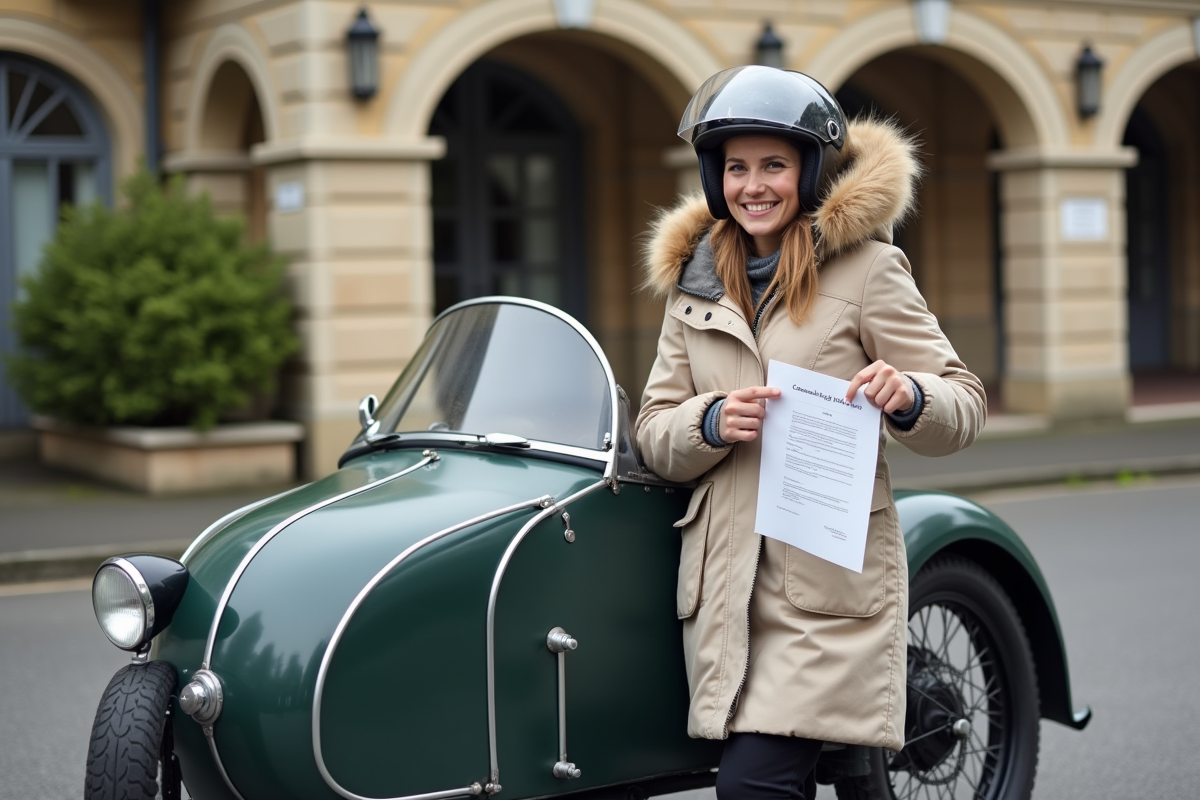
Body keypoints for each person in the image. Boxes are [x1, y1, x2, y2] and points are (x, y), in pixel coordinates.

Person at [634, 66, 987, 799]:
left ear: (811, 170)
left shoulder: (868, 270)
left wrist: (909, 395)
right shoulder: (693, 285)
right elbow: (653, 433)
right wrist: (709, 420)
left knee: (754, 786)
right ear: (713, 176)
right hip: (724, 591)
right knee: (838, 779)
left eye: (773, 165)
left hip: (821, 589)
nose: (752, 185)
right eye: (736, 167)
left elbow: (964, 404)